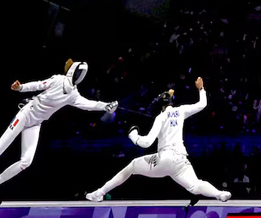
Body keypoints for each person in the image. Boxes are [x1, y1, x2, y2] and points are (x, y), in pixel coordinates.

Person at [0, 59, 117, 204]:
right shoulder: (57, 79)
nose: (81, 77)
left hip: (36, 123)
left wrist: (105, 106)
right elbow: (38, 84)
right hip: (26, 113)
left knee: (26, 162)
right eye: (80, 73)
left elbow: (89, 105)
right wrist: (20, 88)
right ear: (73, 72)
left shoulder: (73, 95)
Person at [84, 78, 230, 204]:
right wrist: (201, 88)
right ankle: (219, 194)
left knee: (133, 166)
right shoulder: (181, 111)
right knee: (195, 185)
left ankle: (99, 193)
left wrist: (133, 135)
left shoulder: (160, 117)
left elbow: (146, 142)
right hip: (180, 160)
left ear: (160, 104)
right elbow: (202, 104)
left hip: (164, 158)